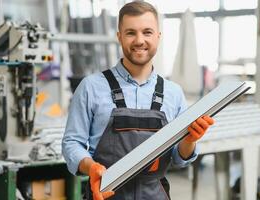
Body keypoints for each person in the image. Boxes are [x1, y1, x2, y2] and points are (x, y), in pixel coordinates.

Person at [62, 1, 214, 200]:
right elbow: (72, 143)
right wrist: (90, 167)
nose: (139, 40)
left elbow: (180, 157)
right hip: (105, 194)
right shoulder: (90, 87)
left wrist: (190, 140)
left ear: (158, 37)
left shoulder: (173, 93)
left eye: (147, 32)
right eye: (131, 32)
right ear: (119, 37)